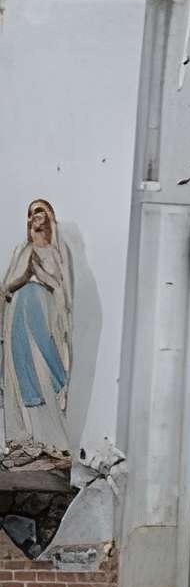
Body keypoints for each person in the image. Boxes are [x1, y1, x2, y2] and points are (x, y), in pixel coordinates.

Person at [2, 199, 74, 470]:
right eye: (31, 213)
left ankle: (52, 440)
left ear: (50, 216)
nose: (35, 217)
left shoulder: (58, 252)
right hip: (20, 317)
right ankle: (27, 438)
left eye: (40, 211)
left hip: (44, 316)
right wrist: (27, 268)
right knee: (23, 375)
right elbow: (9, 283)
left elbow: (61, 286)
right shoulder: (24, 249)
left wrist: (39, 270)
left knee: (46, 372)